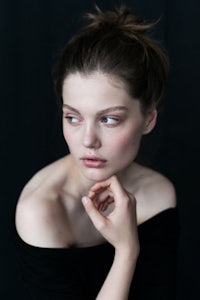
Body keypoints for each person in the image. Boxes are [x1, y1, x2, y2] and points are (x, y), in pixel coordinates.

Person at [14, 5, 179, 300]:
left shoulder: (158, 196)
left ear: (148, 119)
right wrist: (127, 251)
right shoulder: (42, 209)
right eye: (73, 118)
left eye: (109, 119)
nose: (88, 140)